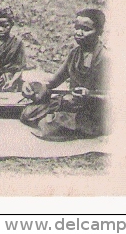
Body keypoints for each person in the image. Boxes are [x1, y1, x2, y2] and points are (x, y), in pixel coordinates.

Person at [19, 8, 108, 141]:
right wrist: (32, 86)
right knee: (28, 114)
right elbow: (53, 82)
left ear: (99, 32)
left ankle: (69, 125)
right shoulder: (74, 54)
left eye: (86, 29)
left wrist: (89, 95)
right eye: (77, 27)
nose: (79, 32)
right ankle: (62, 121)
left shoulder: (105, 58)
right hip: (71, 104)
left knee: (47, 126)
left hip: (94, 110)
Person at [0, 6, 27, 92]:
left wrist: (12, 81)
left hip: (12, 80)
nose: (0, 29)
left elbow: (20, 68)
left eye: (5, 26)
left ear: (11, 25)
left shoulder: (18, 42)